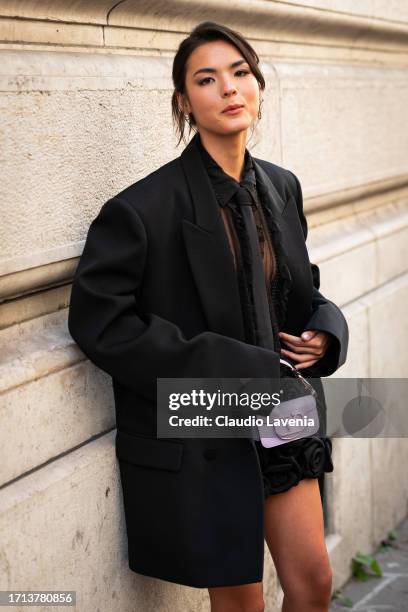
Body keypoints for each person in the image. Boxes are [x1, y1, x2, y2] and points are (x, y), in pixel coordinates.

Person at [68, 20, 348, 612]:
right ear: (184, 102)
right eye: (207, 79)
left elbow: (303, 291)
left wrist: (325, 332)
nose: (229, 89)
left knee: (313, 583)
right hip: (211, 422)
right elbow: (101, 324)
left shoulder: (282, 186)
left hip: (284, 413)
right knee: (240, 605)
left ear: (258, 86)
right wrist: (232, 368)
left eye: (240, 73)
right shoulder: (140, 209)